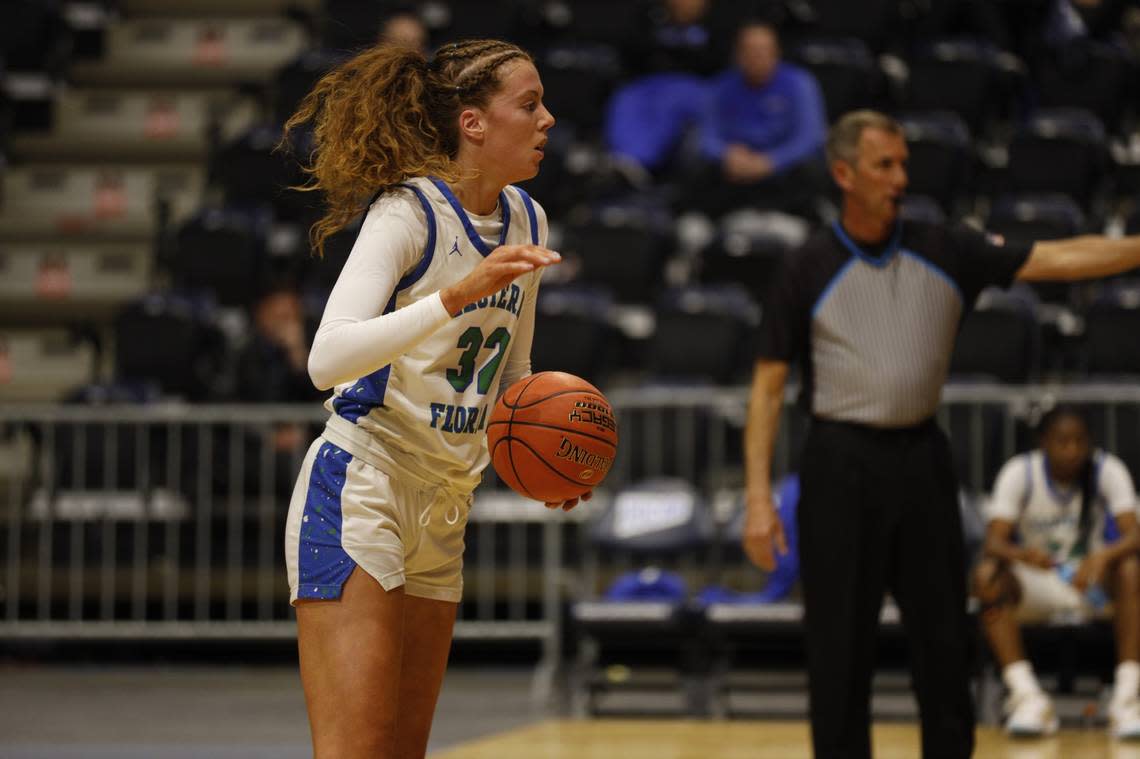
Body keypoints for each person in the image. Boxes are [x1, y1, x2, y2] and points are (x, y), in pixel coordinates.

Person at [742, 109, 1140, 759]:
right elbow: (764, 389)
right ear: (844, 174)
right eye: (884, 165)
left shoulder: (945, 246)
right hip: (838, 462)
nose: (901, 178)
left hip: (922, 457)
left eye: (904, 164)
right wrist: (759, 500)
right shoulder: (806, 266)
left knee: (945, 647)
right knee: (839, 650)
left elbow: (1060, 258)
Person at [279, 39, 572, 759]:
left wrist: (546, 458)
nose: (548, 120)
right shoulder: (407, 212)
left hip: (446, 504)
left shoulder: (529, 220)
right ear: (473, 122)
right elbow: (327, 358)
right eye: (529, 104)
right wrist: (453, 296)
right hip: (363, 487)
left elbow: (514, 371)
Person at [975, 405, 1140, 738]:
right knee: (987, 576)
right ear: (1043, 443)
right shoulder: (1020, 472)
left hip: (1091, 582)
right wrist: (1022, 554)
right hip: (1039, 581)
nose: (1072, 450)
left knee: (1131, 569)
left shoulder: (1108, 469)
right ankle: (1028, 698)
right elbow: (993, 542)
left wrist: (1104, 556)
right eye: (1062, 441)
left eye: (1080, 441)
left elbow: (1134, 535)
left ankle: (1127, 700)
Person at [685, 19, 827, 219]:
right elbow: (706, 136)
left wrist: (771, 161)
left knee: (812, 165)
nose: (757, 57)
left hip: (781, 167)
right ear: (737, 55)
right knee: (695, 158)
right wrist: (726, 154)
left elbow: (810, 137)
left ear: (777, 53)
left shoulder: (800, 83)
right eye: (749, 50)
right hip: (734, 168)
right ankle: (702, 223)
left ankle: (802, 221)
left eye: (763, 50)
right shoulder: (720, 87)